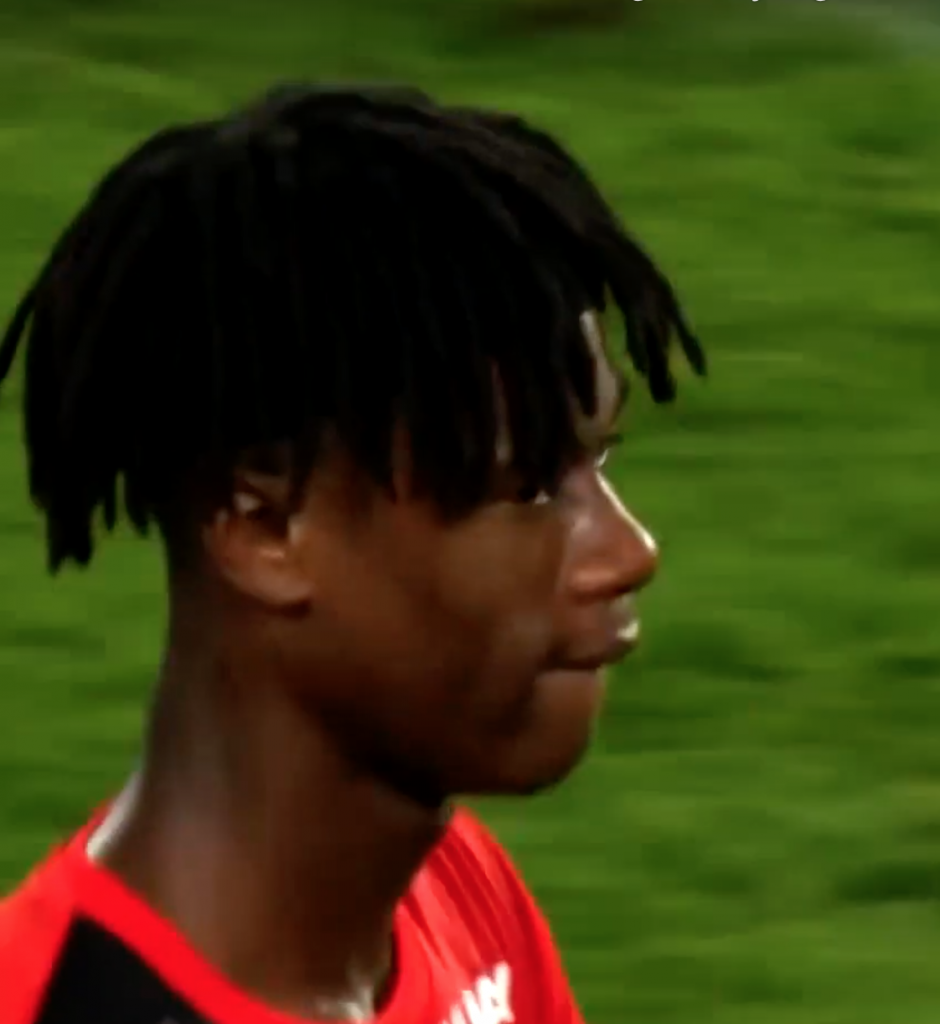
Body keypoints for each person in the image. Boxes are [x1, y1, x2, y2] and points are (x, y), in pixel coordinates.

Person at [0, 83, 705, 1024]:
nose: (627, 552)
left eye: (599, 460)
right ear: (264, 526)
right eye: (530, 485)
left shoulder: (452, 891)